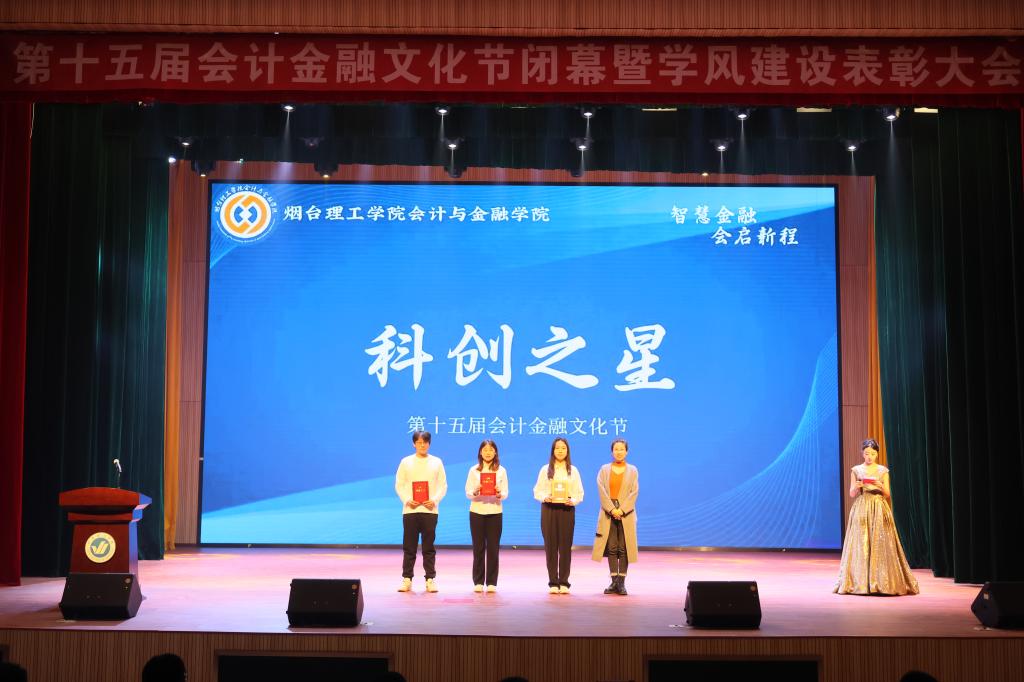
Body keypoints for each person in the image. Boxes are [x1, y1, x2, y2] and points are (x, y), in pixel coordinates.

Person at [834, 438, 919, 595]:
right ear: (862, 453)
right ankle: (860, 583)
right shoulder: (856, 470)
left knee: (881, 542)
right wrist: (857, 486)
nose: (869, 456)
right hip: (862, 506)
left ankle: (881, 581)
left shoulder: (882, 471)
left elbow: (887, 494)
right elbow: (852, 493)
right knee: (861, 543)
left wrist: (880, 486)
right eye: (867, 453)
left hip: (879, 506)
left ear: (877, 454)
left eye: (872, 453)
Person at [395, 430, 448, 593]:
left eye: (425, 442)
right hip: (410, 510)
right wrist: (407, 500)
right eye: (419, 442)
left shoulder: (437, 462)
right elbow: (399, 484)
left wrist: (434, 500)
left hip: (430, 510)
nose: (422, 445)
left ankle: (430, 579)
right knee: (409, 547)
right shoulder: (405, 462)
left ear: (429, 444)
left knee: (428, 547)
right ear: (414, 444)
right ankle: (407, 579)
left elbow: (443, 485)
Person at [532, 437, 584, 594]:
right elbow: (537, 491)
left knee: (565, 547)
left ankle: (564, 582)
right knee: (551, 547)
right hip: (549, 510)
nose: (560, 450)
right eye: (557, 448)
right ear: (553, 451)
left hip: (566, 510)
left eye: (563, 448)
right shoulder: (545, 469)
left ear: (567, 451)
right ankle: (553, 582)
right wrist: (544, 497)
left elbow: (579, 493)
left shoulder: (573, 470)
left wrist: (572, 500)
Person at [591, 438, 638, 595]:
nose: (619, 452)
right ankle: (614, 582)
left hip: (626, 514)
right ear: (612, 451)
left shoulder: (633, 470)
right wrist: (612, 509)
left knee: (624, 548)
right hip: (608, 513)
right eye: (616, 449)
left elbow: (634, 492)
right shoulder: (604, 469)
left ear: (627, 451)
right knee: (611, 547)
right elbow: (601, 490)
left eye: (622, 449)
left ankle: (622, 583)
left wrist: (622, 510)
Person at [465, 439, 509, 593]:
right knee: (478, 548)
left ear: (495, 452)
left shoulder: (501, 471)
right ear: (480, 452)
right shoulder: (473, 470)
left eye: (491, 450)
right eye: (485, 450)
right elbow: (468, 492)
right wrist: (475, 491)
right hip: (477, 511)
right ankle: (478, 581)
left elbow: (505, 493)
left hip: (495, 512)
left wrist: (499, 493)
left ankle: (491, 582)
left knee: (493, 549)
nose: (488, 453)